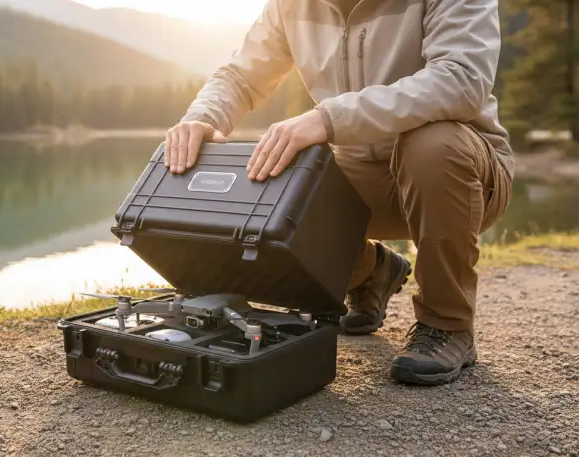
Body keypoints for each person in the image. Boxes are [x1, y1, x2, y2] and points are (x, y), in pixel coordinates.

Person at [163, 0, 514, 386]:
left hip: (461, 171)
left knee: (431, 145)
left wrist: (329, 118)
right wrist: (201, 118)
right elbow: (241, 76)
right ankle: (371, 270)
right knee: (273, 176)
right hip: (360, 176)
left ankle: (447, 324)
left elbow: (461, 78)